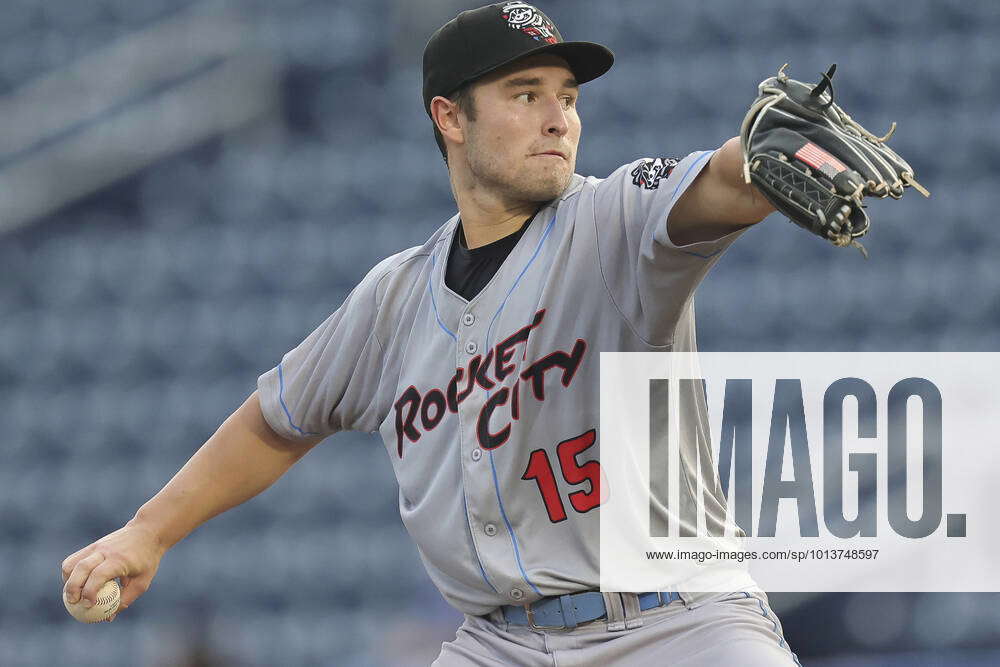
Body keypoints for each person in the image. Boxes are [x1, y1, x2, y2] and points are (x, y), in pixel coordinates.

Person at [62, 3, 802, 664]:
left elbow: (716, 185)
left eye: (568, 97)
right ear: (451, 118)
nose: (559, 118)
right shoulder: (394, 300)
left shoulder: (612, 218)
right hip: (500, 642)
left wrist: (778, 158)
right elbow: (275, 419)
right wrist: (148, 531)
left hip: (678, 624)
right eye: (526, 95)